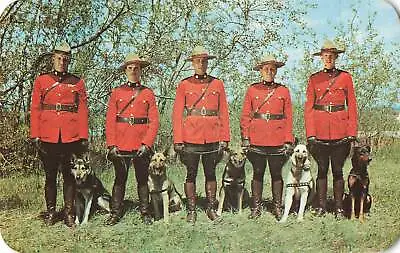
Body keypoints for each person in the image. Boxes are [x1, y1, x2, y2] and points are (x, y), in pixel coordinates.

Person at [30, 42, 89, 228]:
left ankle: (69, 214)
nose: (62, 61)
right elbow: (35, 108)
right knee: (50, 176)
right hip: (48, 136)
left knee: (69, 176)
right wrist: (35, 134)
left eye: (65, 59)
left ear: (69, 60)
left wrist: (83, 136)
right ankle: (50, 212)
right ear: (53, 59)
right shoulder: (42, 81)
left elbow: (82, 110)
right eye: (59, 58)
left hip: (70, 136)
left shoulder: (77, 82)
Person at [172, 46, 230, 223]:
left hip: (212, 136)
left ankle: (211, 208)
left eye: (204, 61)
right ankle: (191, 209)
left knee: (210, 173)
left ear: (207, 63)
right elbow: (177, 114)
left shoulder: (217, 84)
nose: (201, 64)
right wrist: (178, 139)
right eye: (197, 61)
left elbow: (224, 112)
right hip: (191, 137)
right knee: (191, 174)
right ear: (192, 63)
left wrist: (224, 138)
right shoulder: (184, 84)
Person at [305, 40, 358, 218]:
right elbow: (309, 108)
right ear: (321, 58)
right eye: (325, 56)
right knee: (321, 170)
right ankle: (321, 206)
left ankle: (339, 208)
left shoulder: (345, 78)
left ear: (336, 57)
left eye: (331, 56)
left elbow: (352, 106)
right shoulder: (314, 79)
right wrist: (311, 133)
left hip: (340, 131)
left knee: (337, 170)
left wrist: (351, 133)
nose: (328, 58)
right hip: (319, 131)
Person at [105, 53, 159, 225]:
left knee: (142, 179)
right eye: (130, 68)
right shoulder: (117, 92)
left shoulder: (148, 93)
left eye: (136, 68)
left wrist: (147, 144)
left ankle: (145, 212)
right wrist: (112, 144)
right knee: (120, 178)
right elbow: (110, 120)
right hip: (121, 142)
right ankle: (115, 212)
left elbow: (154, 121)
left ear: (140, 70)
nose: (133, 71)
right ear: (125, 71)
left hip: (140, 142)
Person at [240, 54, 294, 220]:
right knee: (257, 173)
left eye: (272, 69)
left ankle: (277, 206)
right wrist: (245, 137)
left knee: (276, 174)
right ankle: (256, 207)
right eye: (266, 69)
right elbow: (245, 116)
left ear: (276, 71)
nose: (269, 72)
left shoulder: (283, 90)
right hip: (257, 138)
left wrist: (288, 139)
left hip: (277, 138)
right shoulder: (252, 90)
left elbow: (288, 117)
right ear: (261, 71)